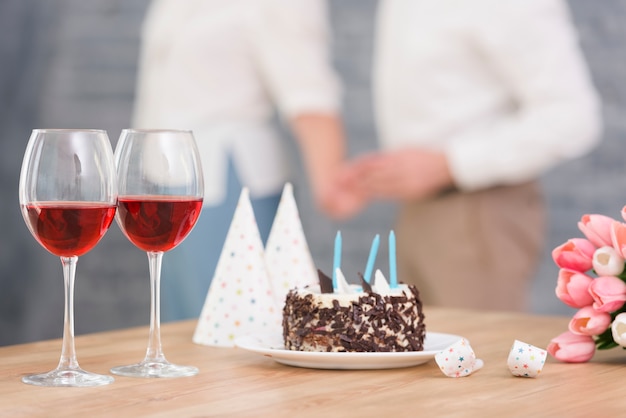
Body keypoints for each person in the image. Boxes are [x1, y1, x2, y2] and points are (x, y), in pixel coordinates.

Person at [337, 0, 602, 311]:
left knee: (480, 354)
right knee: (418, 352)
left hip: (478, 213)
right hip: (418, 210)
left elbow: (573, 117)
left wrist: (450, 165)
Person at [132, 0, 348, 321]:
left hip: (228, 180)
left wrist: (332, 181)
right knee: (183, 332)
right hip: (166, 180)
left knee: (233, 328)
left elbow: (309, 91)